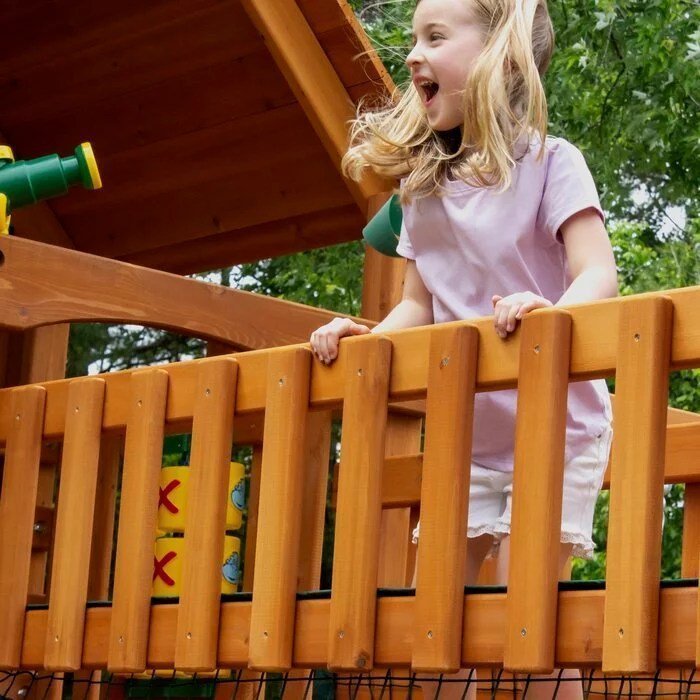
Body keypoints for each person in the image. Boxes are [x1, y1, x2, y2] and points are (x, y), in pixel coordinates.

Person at [310, 0, 617, 697]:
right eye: (413, 38)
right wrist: (369, 339)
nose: (413, 53)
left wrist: (551, 315)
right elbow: (418, 305)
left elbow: (597, 273)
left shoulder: (552, 163)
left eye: (436, 36)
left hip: (557, 428)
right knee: (437, 621)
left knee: (527, 617)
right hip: (471, 438)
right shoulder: (424, 190)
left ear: (498, 55)